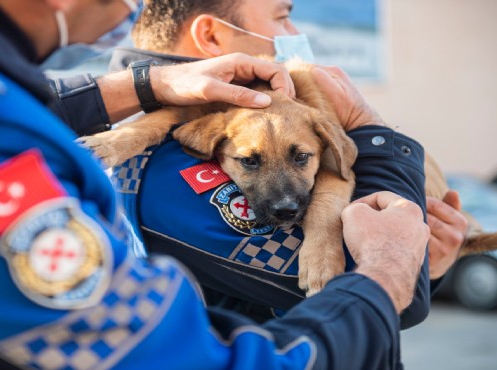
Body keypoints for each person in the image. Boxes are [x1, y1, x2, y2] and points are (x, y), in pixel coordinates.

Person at [0, 0, 428, 369]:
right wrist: (387, 266)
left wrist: (148, 85)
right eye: (281, 17)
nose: (134, 4)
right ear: (209, 35)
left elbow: (21, 101)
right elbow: (188, 360)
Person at [102, 0, 468, 323]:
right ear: (212, 36)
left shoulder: (267, 113)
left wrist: (429, 264)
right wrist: (365, 124)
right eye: (283, 18)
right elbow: (383, 290)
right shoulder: (168, 157)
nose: (294, 35)